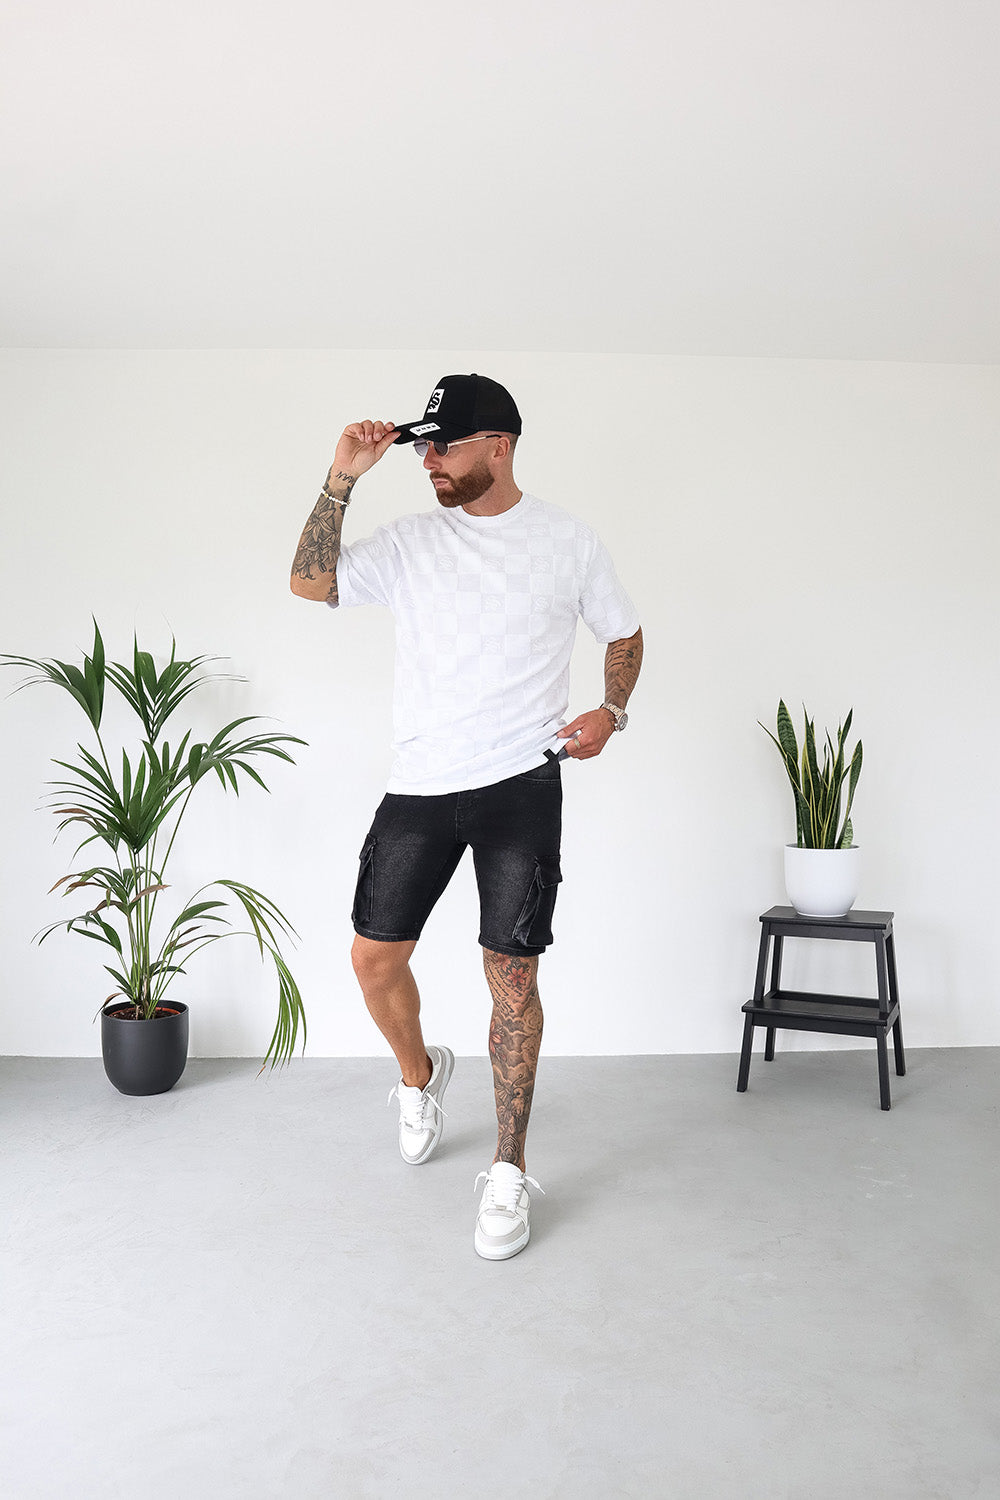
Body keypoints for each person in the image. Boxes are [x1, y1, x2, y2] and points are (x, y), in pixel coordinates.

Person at [290, 374, 642, 1260]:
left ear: (499, 445)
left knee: (511, 977)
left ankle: (509, 1169)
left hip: (522, 783)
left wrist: (612, 710)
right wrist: (343, 476)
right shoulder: (411, 541)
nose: (429, 461)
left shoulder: (568, 541)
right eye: (423, 448)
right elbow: (307, 583)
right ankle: (420, 1075)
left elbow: (624, 633)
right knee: (373, 958)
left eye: (442, 445)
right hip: (421, 784)